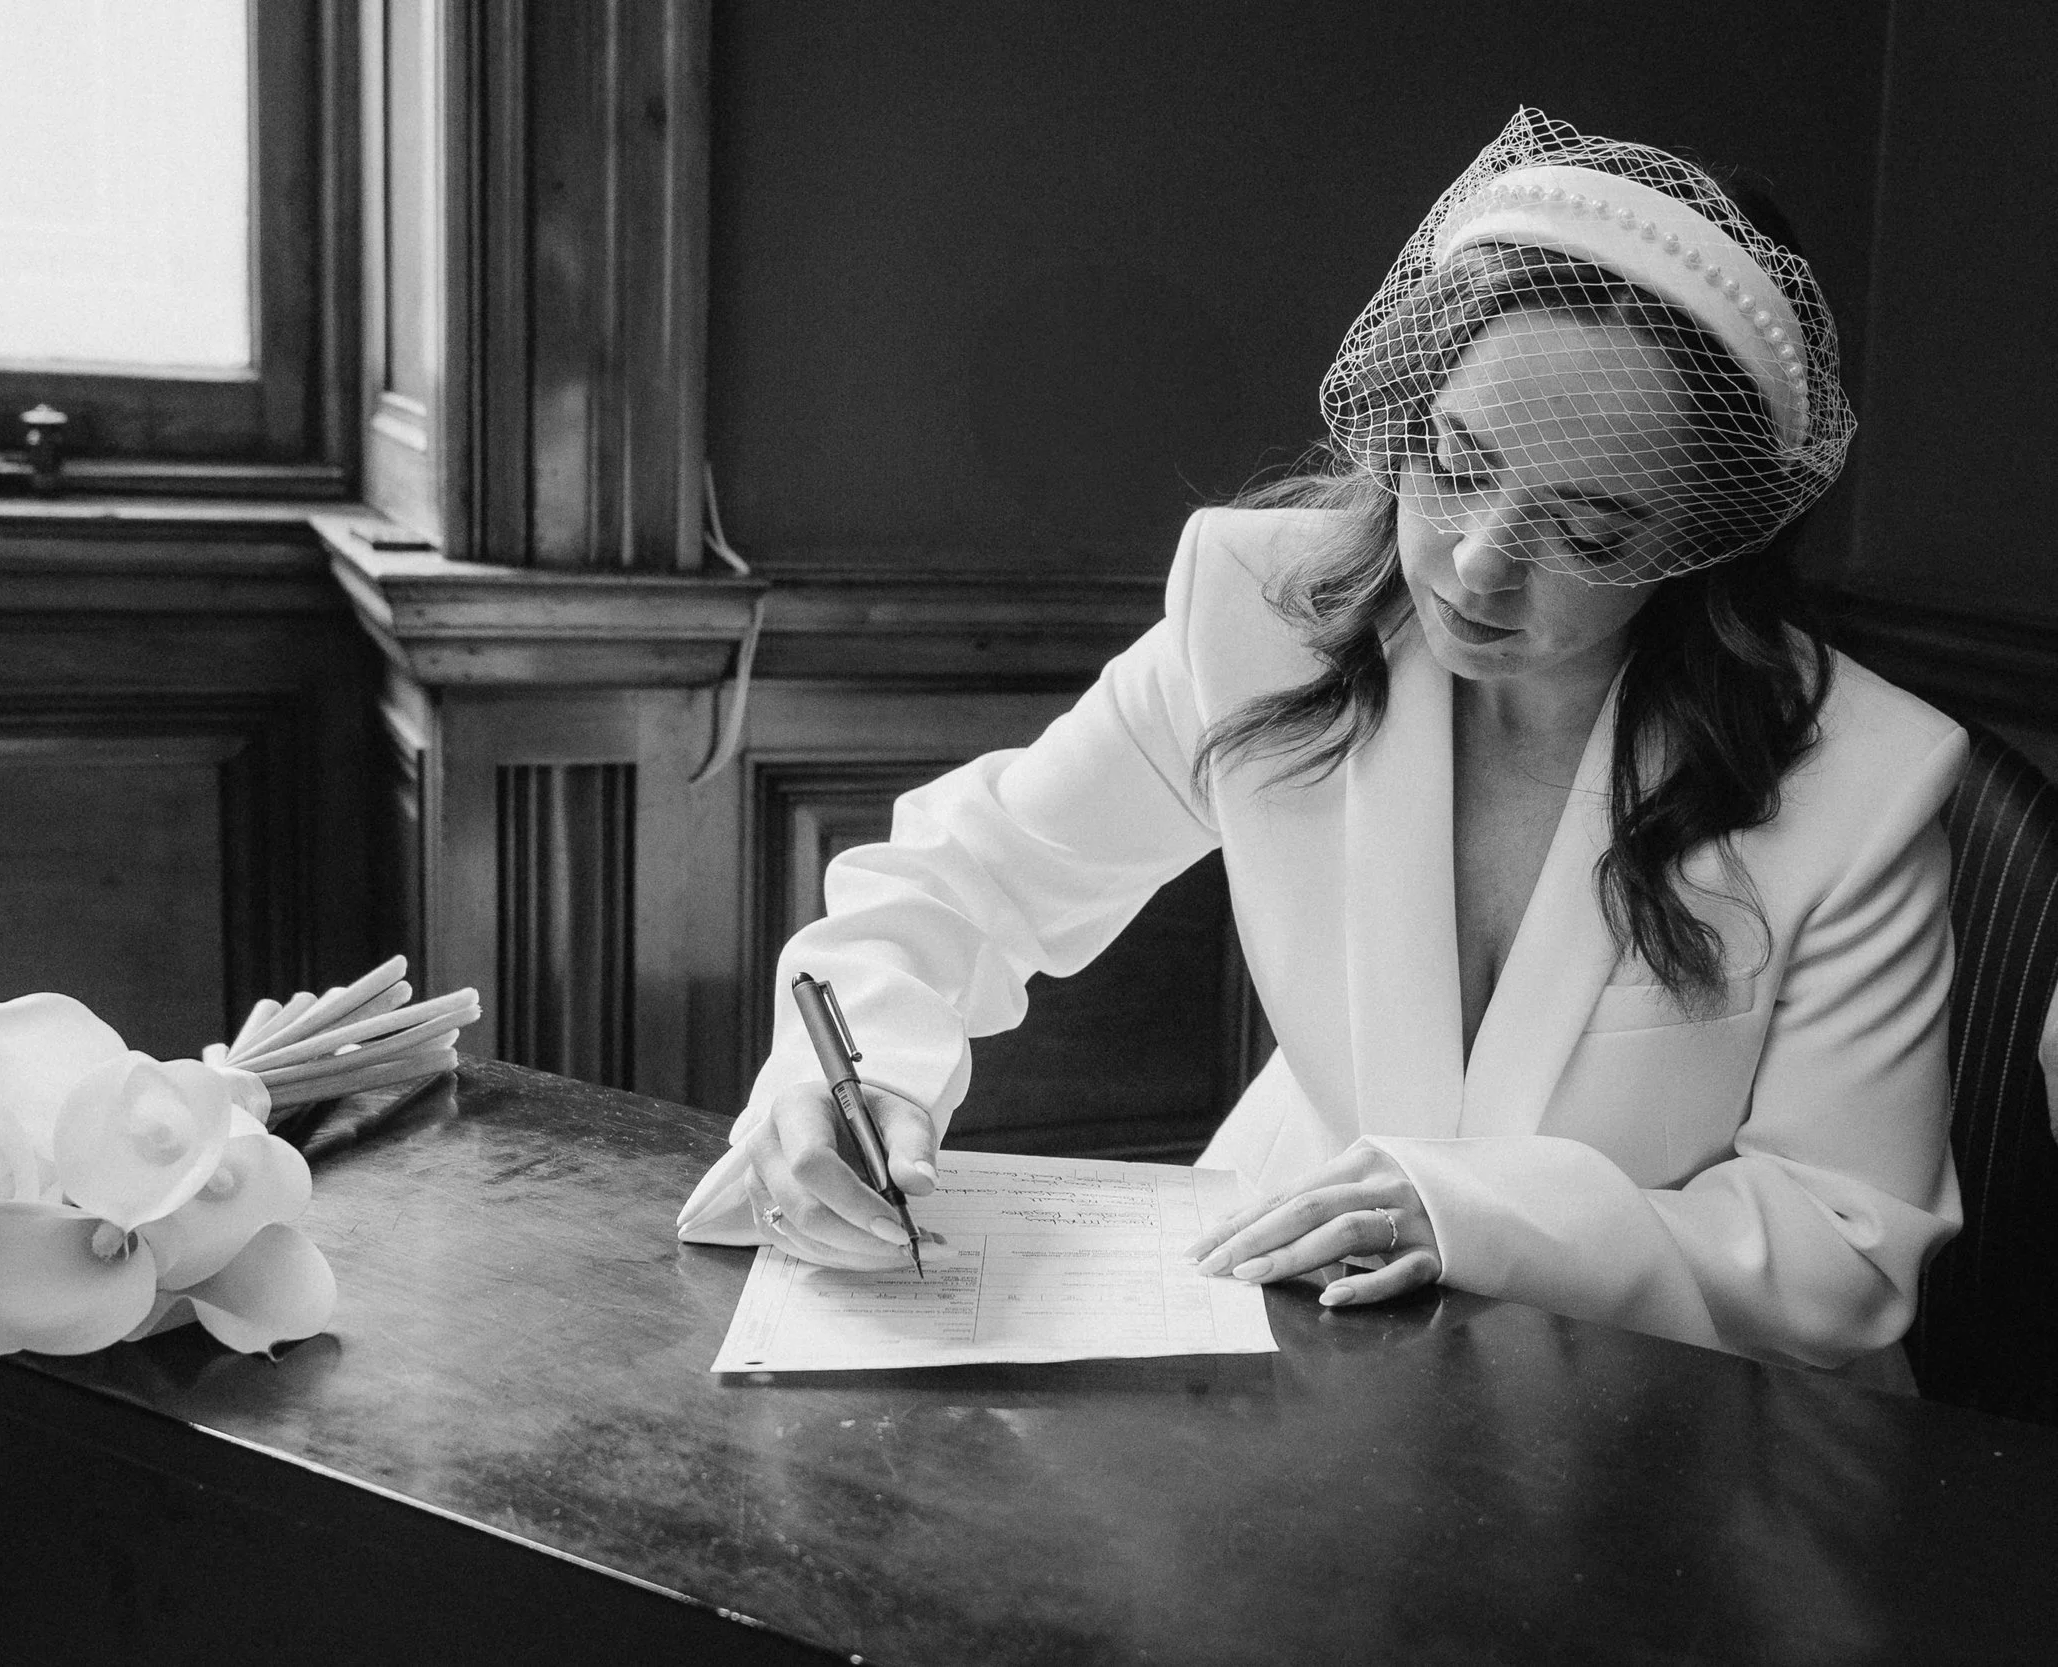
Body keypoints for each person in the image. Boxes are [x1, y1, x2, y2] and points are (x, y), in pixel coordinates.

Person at [676, 109, 1964, 1389]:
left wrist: (1479, 1214)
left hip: (1674, 1415)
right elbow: (966, 879)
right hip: (1303, 1327)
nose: (1475, 564)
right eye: (1456, 463)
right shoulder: (1258, 614)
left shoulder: (1861, 781)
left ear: (1707, 542)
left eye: (1585, 528)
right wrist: (851, 1080)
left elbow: (1844, 1255)